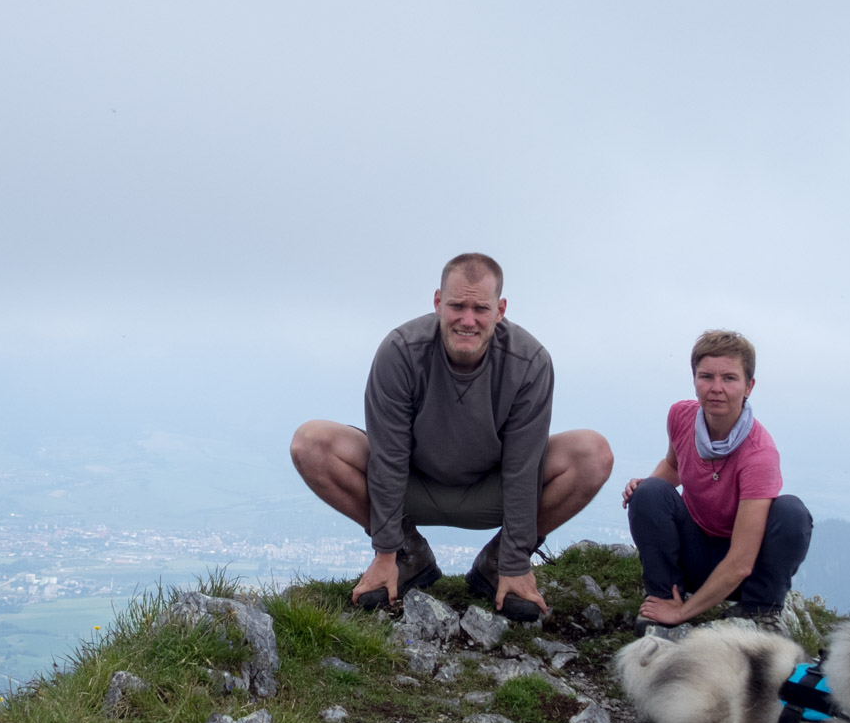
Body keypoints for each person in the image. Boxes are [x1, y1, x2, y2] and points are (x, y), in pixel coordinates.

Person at [290, 253, 613, 621]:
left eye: (480, 308)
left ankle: (497, 565)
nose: (467, 319)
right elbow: (389, 458)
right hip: (413, 484)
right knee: (311, 442)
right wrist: (385, 553)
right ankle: (406, 555)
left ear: (500, 309)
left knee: (593, 454)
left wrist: (516, 561)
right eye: (457, 305)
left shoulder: (530, 361)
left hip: (493, 489)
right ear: (438, 302)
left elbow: (524, 468)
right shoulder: (400, 351)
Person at [621, 330, 813, 631]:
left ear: (749, 386)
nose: (716, 388)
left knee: (791, 513)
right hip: (695, 551)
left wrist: (685, 614)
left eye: (729, 378)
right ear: (694, 379)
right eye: (706, 376)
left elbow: (740, 561)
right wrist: (646, 486)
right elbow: (674, 466)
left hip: (744, 570)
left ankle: (759, 611)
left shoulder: (759, 453)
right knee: (649, 491)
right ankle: (663, 598)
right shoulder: (681, 417)